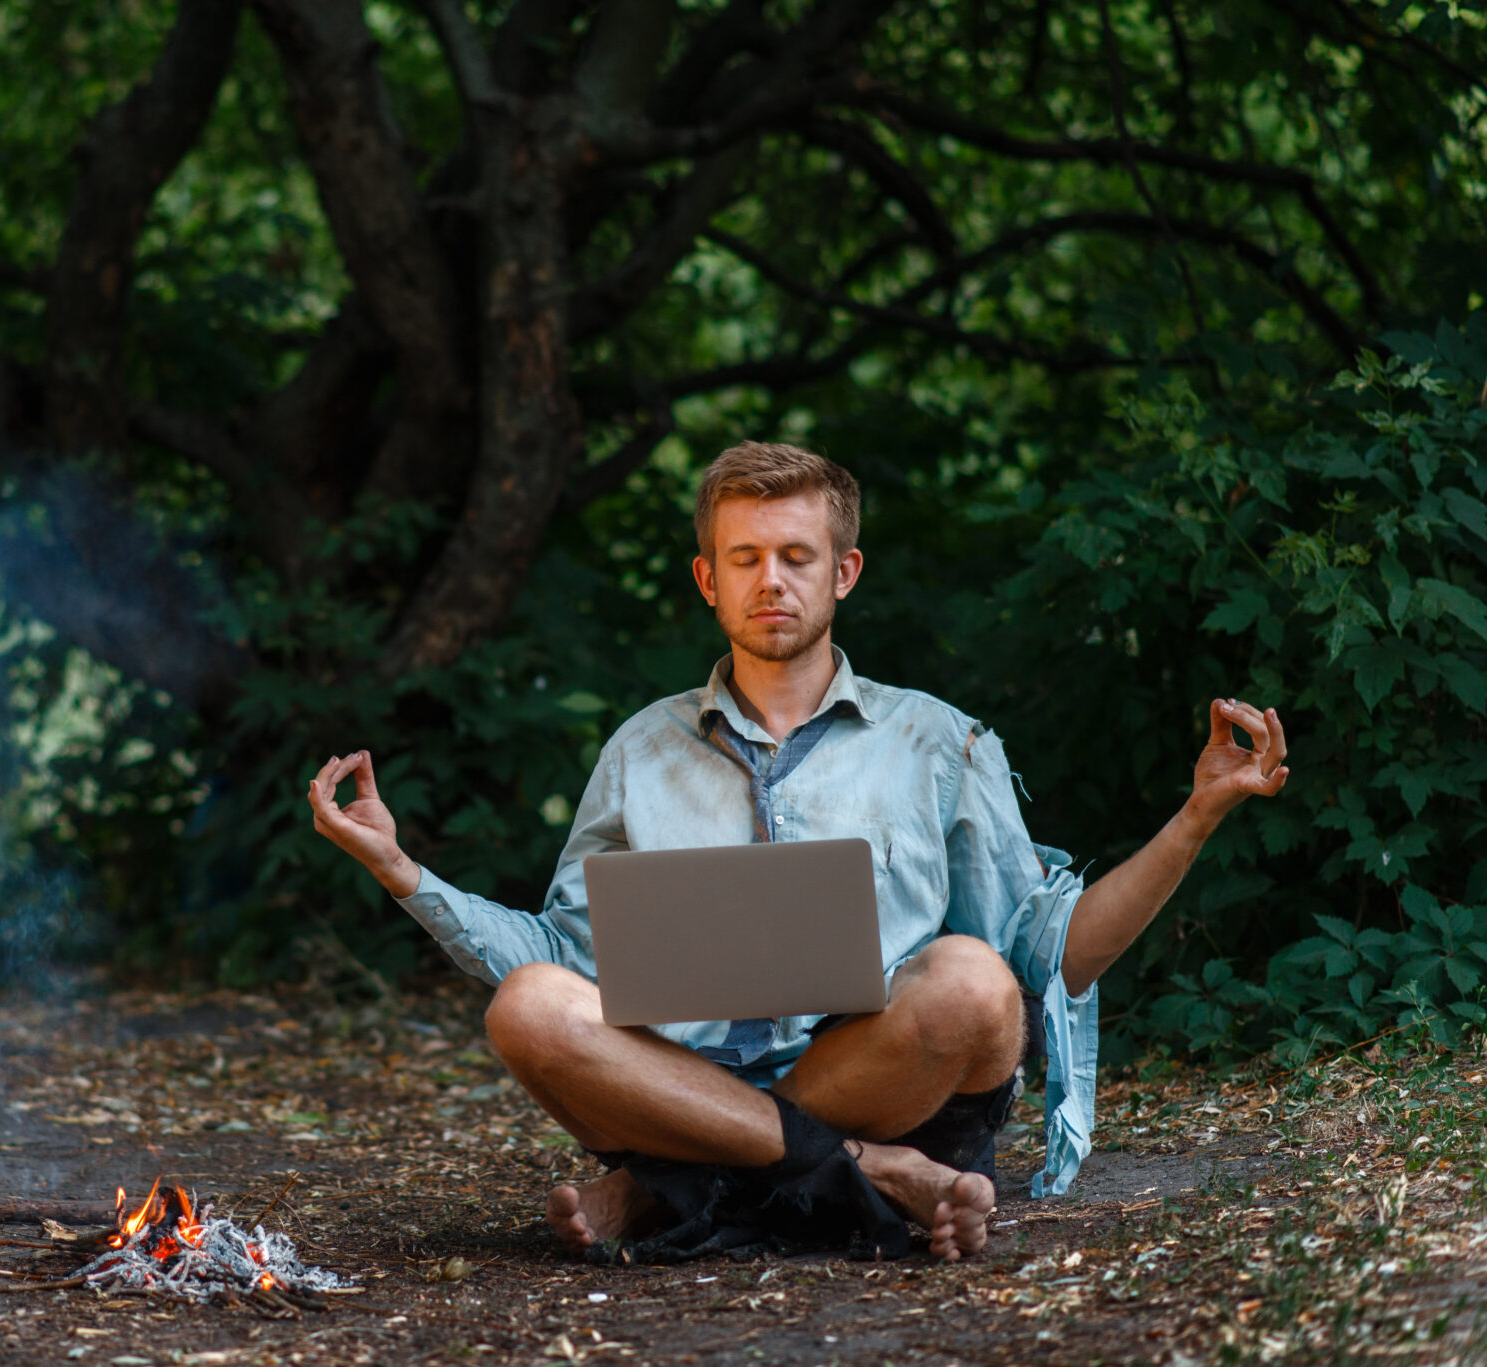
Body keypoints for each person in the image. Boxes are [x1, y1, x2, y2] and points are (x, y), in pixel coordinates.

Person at [306, 442, 1289, 1261]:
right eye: (742, 557)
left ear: (842, 572)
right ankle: (861, 1175)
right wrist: (401, 867)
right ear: (705, 579)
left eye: (793, 554)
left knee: (975, 985)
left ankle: (670, 1188)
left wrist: (1197, 812)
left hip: (868, 1079)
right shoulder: (638, 753)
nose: (768, 578)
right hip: (693, 1077)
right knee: (525, 1007)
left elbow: (1053, 955)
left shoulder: (941, 741)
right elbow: (560, 963)